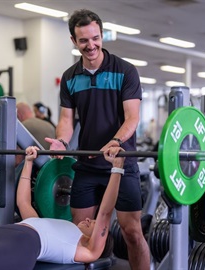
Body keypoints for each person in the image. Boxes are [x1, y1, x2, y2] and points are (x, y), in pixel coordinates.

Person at [44, 9, 150, 270]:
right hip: (87, 168)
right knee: (77, 236)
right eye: (83, 40)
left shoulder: (125, 71)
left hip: (121, 166)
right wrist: (62, 142)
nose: (90, 45)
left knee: (132, 233)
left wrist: (115, 141)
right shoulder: (70, 78)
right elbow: (67, 120)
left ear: (102, 36)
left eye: (95, 38)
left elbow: (132, 118)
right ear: (73, 41)